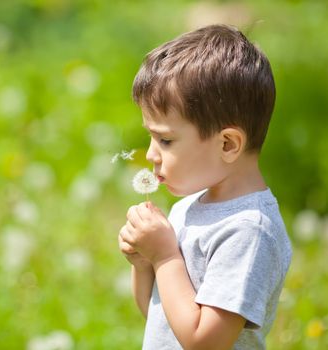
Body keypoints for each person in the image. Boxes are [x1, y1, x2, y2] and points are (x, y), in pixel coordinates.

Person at [118, 24, 292, 350]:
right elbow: (158, 316)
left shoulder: (248, 232)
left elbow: (204, 342)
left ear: (227, 144)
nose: (152, 154)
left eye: (166, 140)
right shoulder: (188, 207)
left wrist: (165, 257)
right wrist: (144, 264)